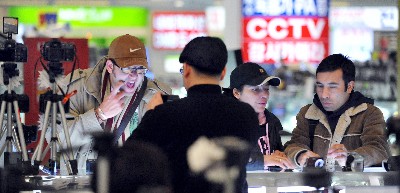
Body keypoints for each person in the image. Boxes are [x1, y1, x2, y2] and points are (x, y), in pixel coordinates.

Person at [126, 36, 259, 193]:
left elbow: (127, 161)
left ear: (187, 69)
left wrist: (150, 114)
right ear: (223, 73)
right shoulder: (247, 115)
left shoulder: (165, 115)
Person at [47, 34, 171, 175]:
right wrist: (99, 114)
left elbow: (167, 150)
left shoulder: (158, 95)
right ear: (110, 66)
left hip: (133, 182)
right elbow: (56, 140)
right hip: (80, 180)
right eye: (128, 69)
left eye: (140, 70)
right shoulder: (75, 87)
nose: (134, 76)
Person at [284, 53, 390, 172]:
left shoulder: (369, 113)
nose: (324, 94)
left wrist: (351, 157)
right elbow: (294, 145)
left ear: (349, 86)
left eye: (332, 87)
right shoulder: (308, 113)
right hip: (317, 187)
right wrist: (300, 155)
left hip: (356, 188)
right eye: (320, 86)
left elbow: (379, 150)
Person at [223, 62, 295, 171]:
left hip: (268, 186)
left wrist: (282, 159)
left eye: (266, 89)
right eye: (255, 89)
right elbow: (224, 160)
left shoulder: (272, 121)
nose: (265, 95)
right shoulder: (223, 121)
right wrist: (264, 160)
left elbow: (277, 161)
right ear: (236, 93)